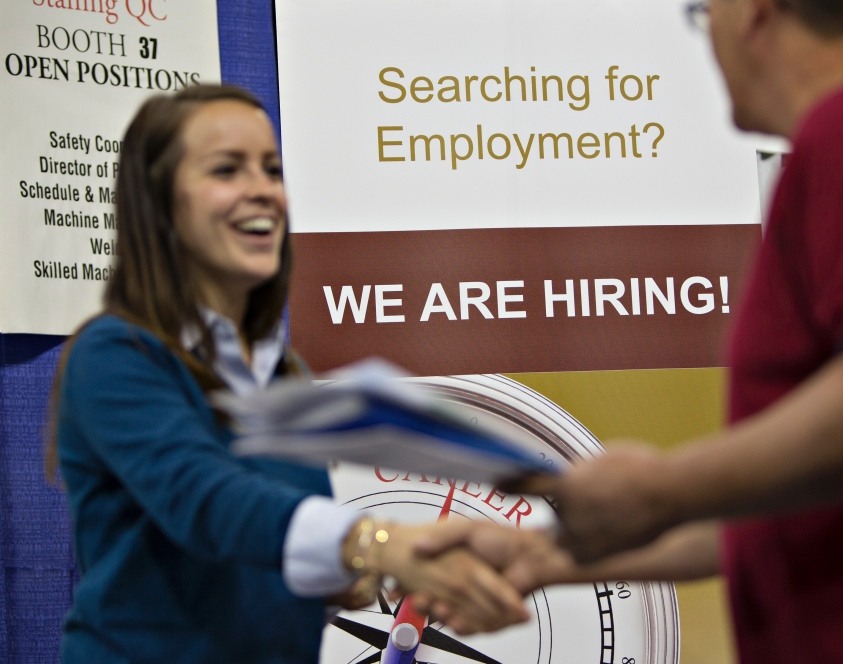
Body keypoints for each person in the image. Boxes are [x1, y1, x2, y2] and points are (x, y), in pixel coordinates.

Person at [417, 1, 843, 661]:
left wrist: (658, 487)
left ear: (754, 13)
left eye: (703, 14)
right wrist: (541, 556)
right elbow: (799, 500)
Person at [46, 84, 527, 664]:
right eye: (228, 169)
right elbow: (206, 502)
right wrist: (376, 544)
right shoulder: (116, 354)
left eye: (272, 170)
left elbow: (262, 554)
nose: (263, 191)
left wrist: (354, 581)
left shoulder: (280, 373)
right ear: (159, 204)